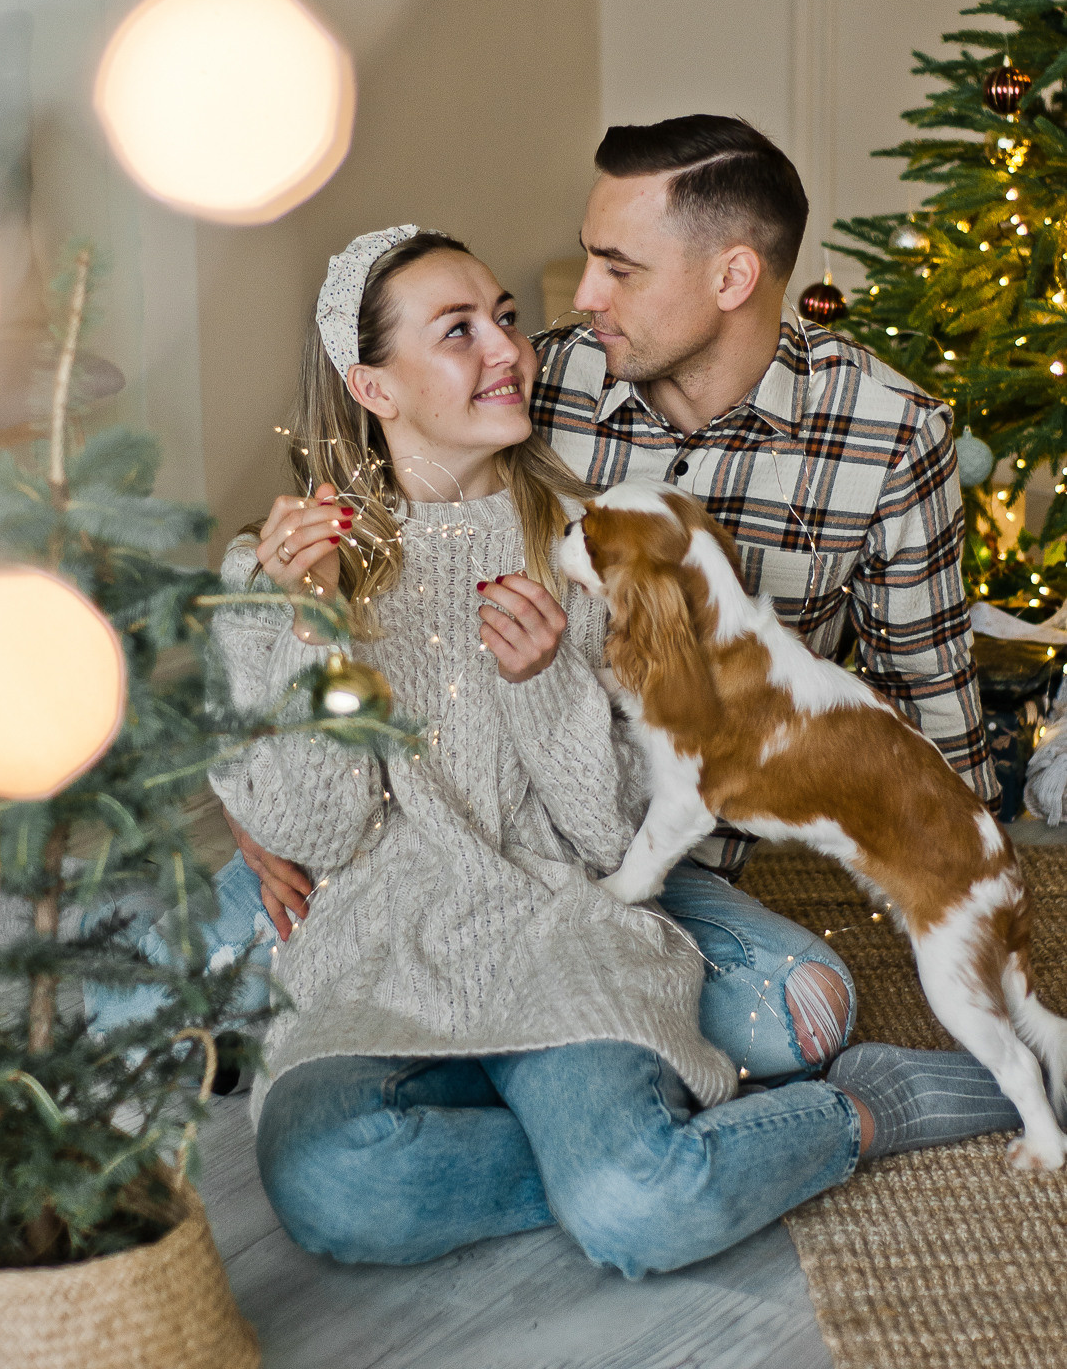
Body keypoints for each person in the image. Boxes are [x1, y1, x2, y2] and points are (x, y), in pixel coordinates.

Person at [204, 224, 1018, 1278]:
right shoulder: (271, 570)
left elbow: (614, 835)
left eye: (504, 317)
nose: (507, 349)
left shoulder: (590, 550)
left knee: (637, 1206)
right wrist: (309, 629)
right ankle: (638, 1148)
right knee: (336, 1185)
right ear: (374, 388)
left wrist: (544, 690)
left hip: (563, 930)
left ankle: (862, 1107)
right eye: (458, 331)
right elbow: (314, 833)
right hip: (375, 953)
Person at [531, 113, 997, 880]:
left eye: (620, 269)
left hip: (704, 877)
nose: (585, 295)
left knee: (810, 998)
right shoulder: (533, 388)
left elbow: (925, 698)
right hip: (524, 837)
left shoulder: (890, 433)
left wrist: (965, 889)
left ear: (732, 278)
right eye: (590, 257)